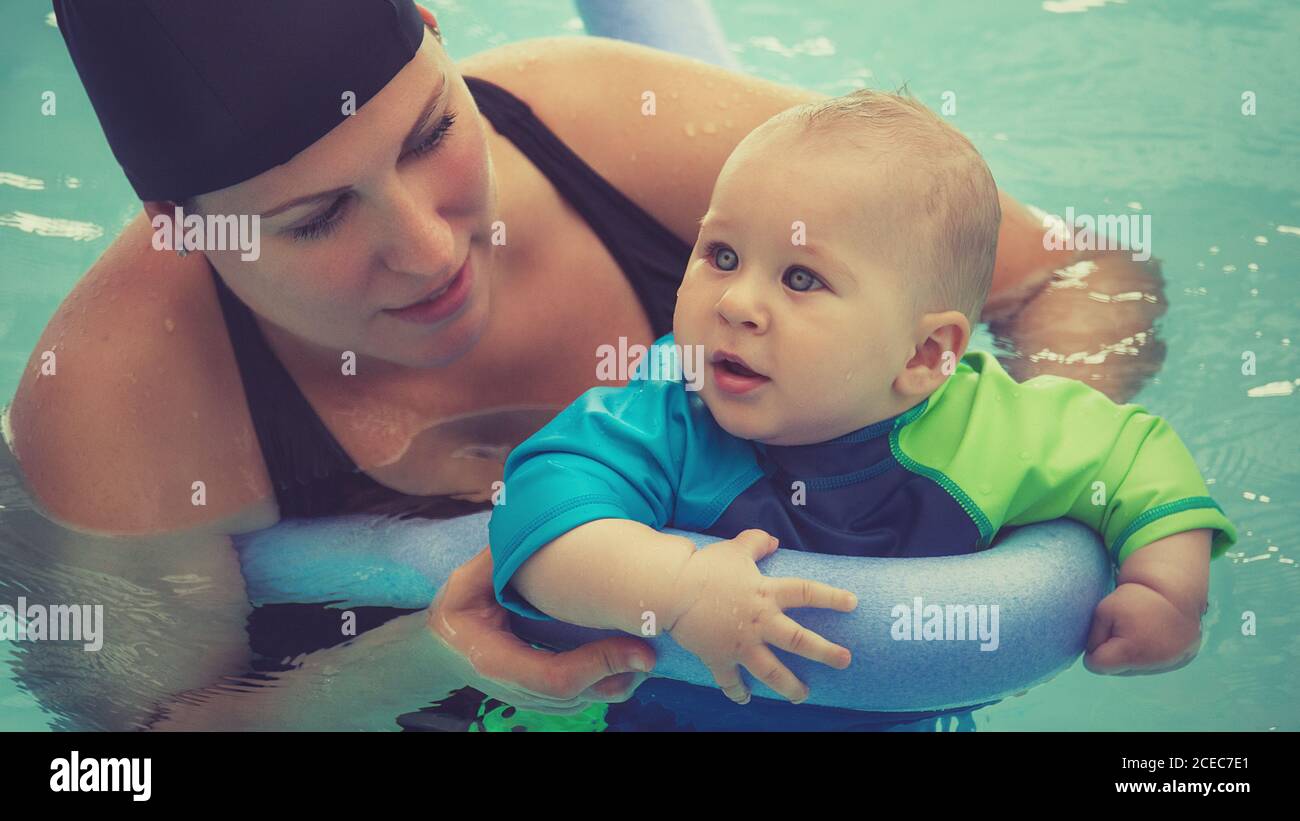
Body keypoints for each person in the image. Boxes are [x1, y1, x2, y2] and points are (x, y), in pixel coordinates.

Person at [7, 0, 1172, 729]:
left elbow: (1070, 273)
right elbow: (129, 757)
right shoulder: (120, 400)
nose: (425, 247)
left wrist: (1020, 458)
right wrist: (421, 658)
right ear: (182, 224)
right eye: (315, 220)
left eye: (431, 136)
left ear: (442, 41)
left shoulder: (599, 127)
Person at [487, 89, 1236, 707]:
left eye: (801, 278)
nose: (737, 304)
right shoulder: (669, 409)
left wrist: (1165, 592)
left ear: (923, 353)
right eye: (721, 255)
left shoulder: (988, 430)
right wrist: (677, 587)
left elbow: (1141, 458)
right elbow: (538, 512)